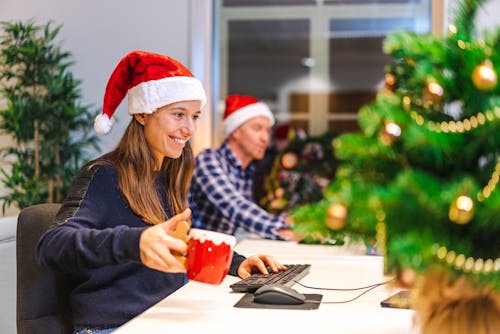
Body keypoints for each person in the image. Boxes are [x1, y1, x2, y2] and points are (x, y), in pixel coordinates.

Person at [36, 51, 286, 334]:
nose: (189, 128)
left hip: (161, 315)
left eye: (194, 116)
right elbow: (52, 245)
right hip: (114, 326)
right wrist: (136, 242)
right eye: (178, 115)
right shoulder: (104, 174)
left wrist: (236, 263)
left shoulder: (168, 173)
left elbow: (173, 243)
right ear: (143, 114)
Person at [189, 94, 299, 241]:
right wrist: (286, 227)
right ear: (235, 131)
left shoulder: (246, 170)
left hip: (227, 252)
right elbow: (235, 207)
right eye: (257, 128)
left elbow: (244, 218)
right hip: (200, 255)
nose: (265, 138)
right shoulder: (209, 159)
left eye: (268, 130)